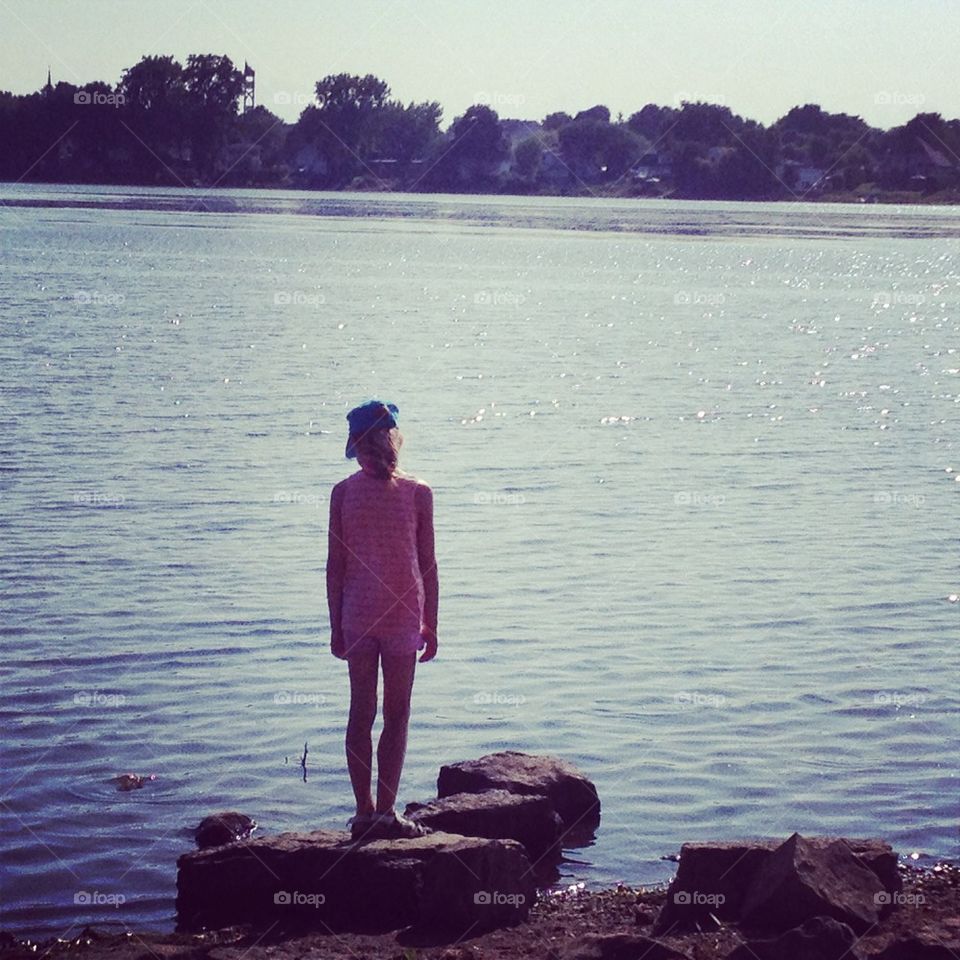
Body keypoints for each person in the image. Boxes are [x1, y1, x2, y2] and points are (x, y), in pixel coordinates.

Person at [326, 400, 439, 840]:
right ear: (392, 438)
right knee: (396, 714)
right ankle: (386, 813)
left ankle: (363, 813)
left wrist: (335, 624)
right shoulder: (418, 492)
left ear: (357, 444)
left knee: (361, 712)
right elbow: (428, 564)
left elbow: (335, 566)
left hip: (357, 613)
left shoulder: (343, 493)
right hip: (403, 614)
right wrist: (432, 621)